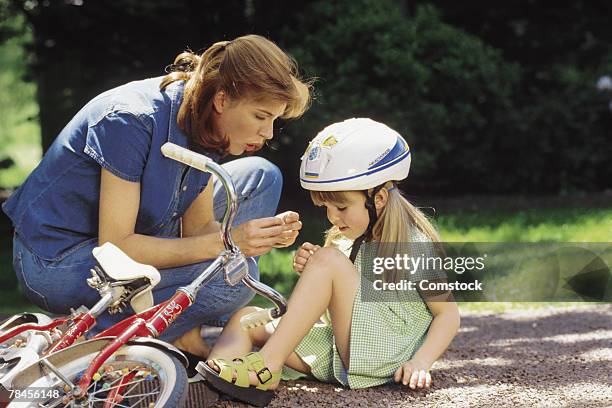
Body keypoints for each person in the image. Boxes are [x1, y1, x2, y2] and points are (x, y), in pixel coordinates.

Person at [2, 34, 312, 362]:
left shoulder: (205, 117)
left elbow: (198, 228)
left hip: (137, 236)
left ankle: (184, 327)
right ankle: (85, 343)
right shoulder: (130, 119)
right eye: (261, 117)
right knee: (234, 281)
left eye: (274, 120)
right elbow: (117, 247)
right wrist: (228, 243)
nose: (268, 132)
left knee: (260, 177)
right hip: (57, 261)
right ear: (222, 100)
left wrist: (257, 238)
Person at [199, 118, 461, 406]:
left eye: (341, 206)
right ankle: (213, 383)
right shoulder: (349, 236)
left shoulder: (411, 244)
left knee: (327, 261)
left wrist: (421, 362)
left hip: (383, 352)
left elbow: (447, 314)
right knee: (245, 319)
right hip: (340, 348)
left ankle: (266, 365)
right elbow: (338, 303)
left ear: (380, 198)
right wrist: (313, 271)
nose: (333, 217)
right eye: (326, 207)